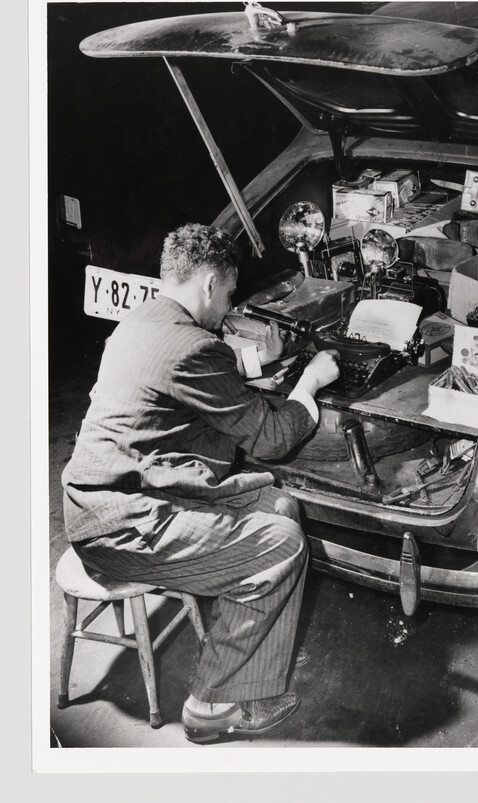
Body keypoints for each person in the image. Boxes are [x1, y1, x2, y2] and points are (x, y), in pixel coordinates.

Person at [62, 223, 340, 744]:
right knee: (281, 544)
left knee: (277, 503)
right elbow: (273, 437)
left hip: (111, 498)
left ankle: (253, 680)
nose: (228, 308)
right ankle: (211, 704)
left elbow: (198, 368)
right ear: (210, 283)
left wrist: (261, 359)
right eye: (230, 295)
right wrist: (311, 382)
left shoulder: (142, 319)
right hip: (122, 526)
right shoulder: (194, 345)